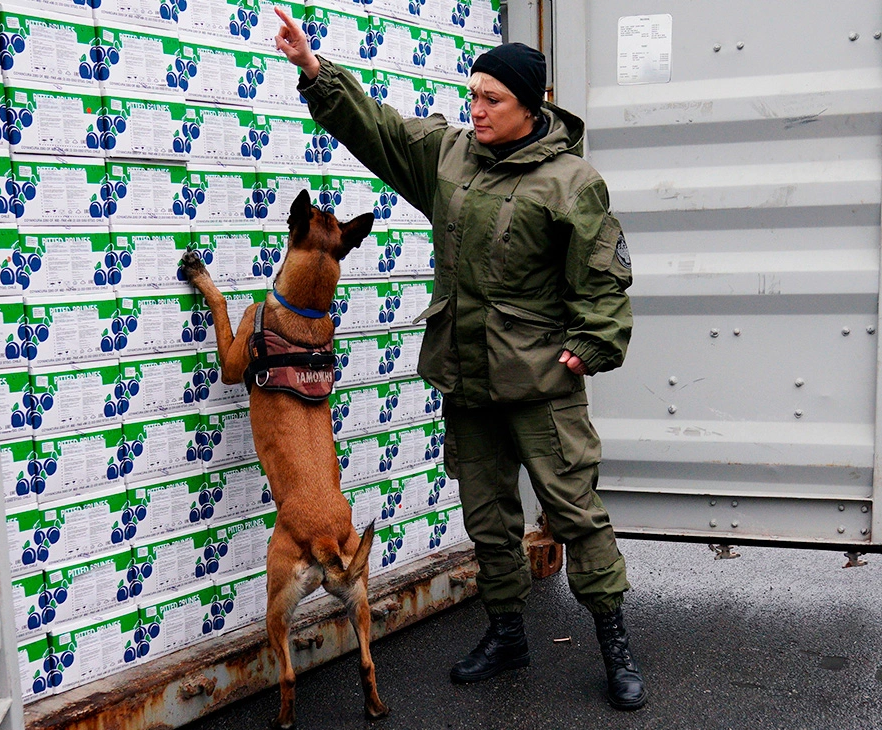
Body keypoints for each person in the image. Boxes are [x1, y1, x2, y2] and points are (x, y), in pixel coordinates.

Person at [273, 10, 647, 710]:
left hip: (540, 386)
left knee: (576, 513)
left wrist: (586, 350)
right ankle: (507, 635)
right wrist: (315, 73)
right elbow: (379, 130)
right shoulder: (448, 158)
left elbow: (604, 282)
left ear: (529, 107)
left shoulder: (572, 182)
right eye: (471, 95)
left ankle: (614, 644)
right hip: (467, 376)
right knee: (488, 517)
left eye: (491, 99)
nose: (475, 110)